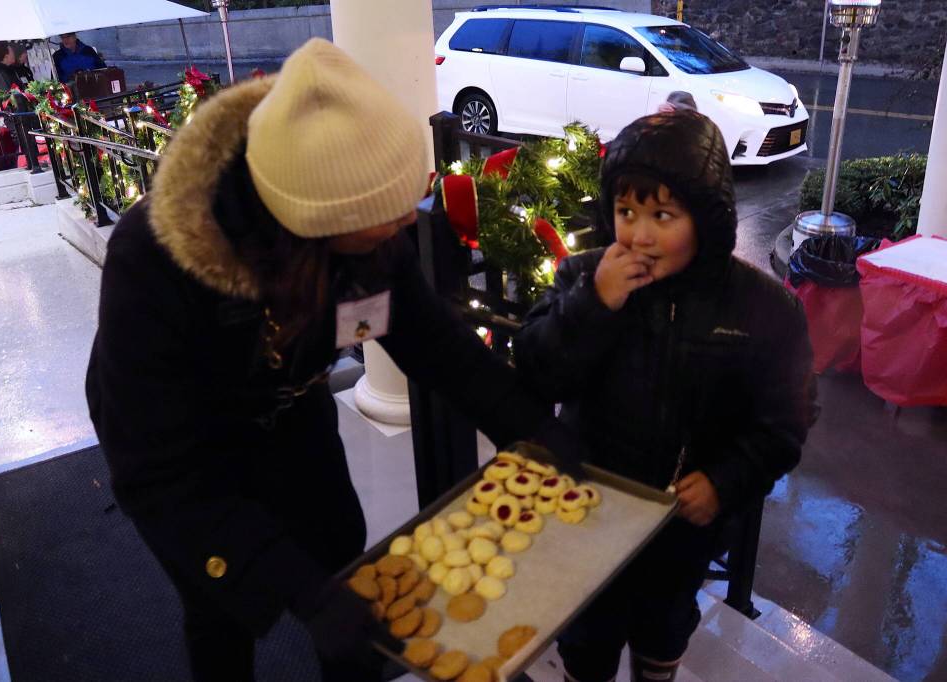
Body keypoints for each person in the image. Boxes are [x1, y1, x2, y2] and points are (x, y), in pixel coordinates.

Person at [86, 38, 581, 681]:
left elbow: (435, 344)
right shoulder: (153, 259)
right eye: (385, 214)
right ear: (312, 225)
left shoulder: (364, 228)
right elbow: (159, 472)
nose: (407, 218)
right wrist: (301, 592)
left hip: (294, 411)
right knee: (218, 607)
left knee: (341, 559)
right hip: (185, 445)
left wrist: (528, 426)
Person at [514, 110, 816, 682]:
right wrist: (592, 306)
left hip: (682, 524)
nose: (639, 234)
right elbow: (536, 372)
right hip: (588, 512)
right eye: (626, 212)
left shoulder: (763, 308)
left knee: (665, 626)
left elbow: (788, 420)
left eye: (662, 215)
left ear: (704, 219)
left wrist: (727, 479)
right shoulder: (583, 277)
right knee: (587, 636)